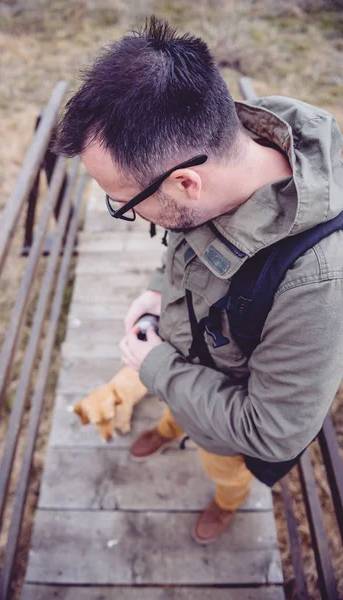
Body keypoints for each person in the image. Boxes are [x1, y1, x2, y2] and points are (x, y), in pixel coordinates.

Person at [55, 15, 343, 543]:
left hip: (225, 427)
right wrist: (156, 288)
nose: (126, 211)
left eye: (126, 203)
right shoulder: (231, 157)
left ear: (185, 182)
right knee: (174, 408)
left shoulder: (319, 284)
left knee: (223, 471)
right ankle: (170, 424)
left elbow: (271, 431)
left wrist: (157, 365)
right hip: (187, 368)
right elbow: (185, 241)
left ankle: (226, 503)